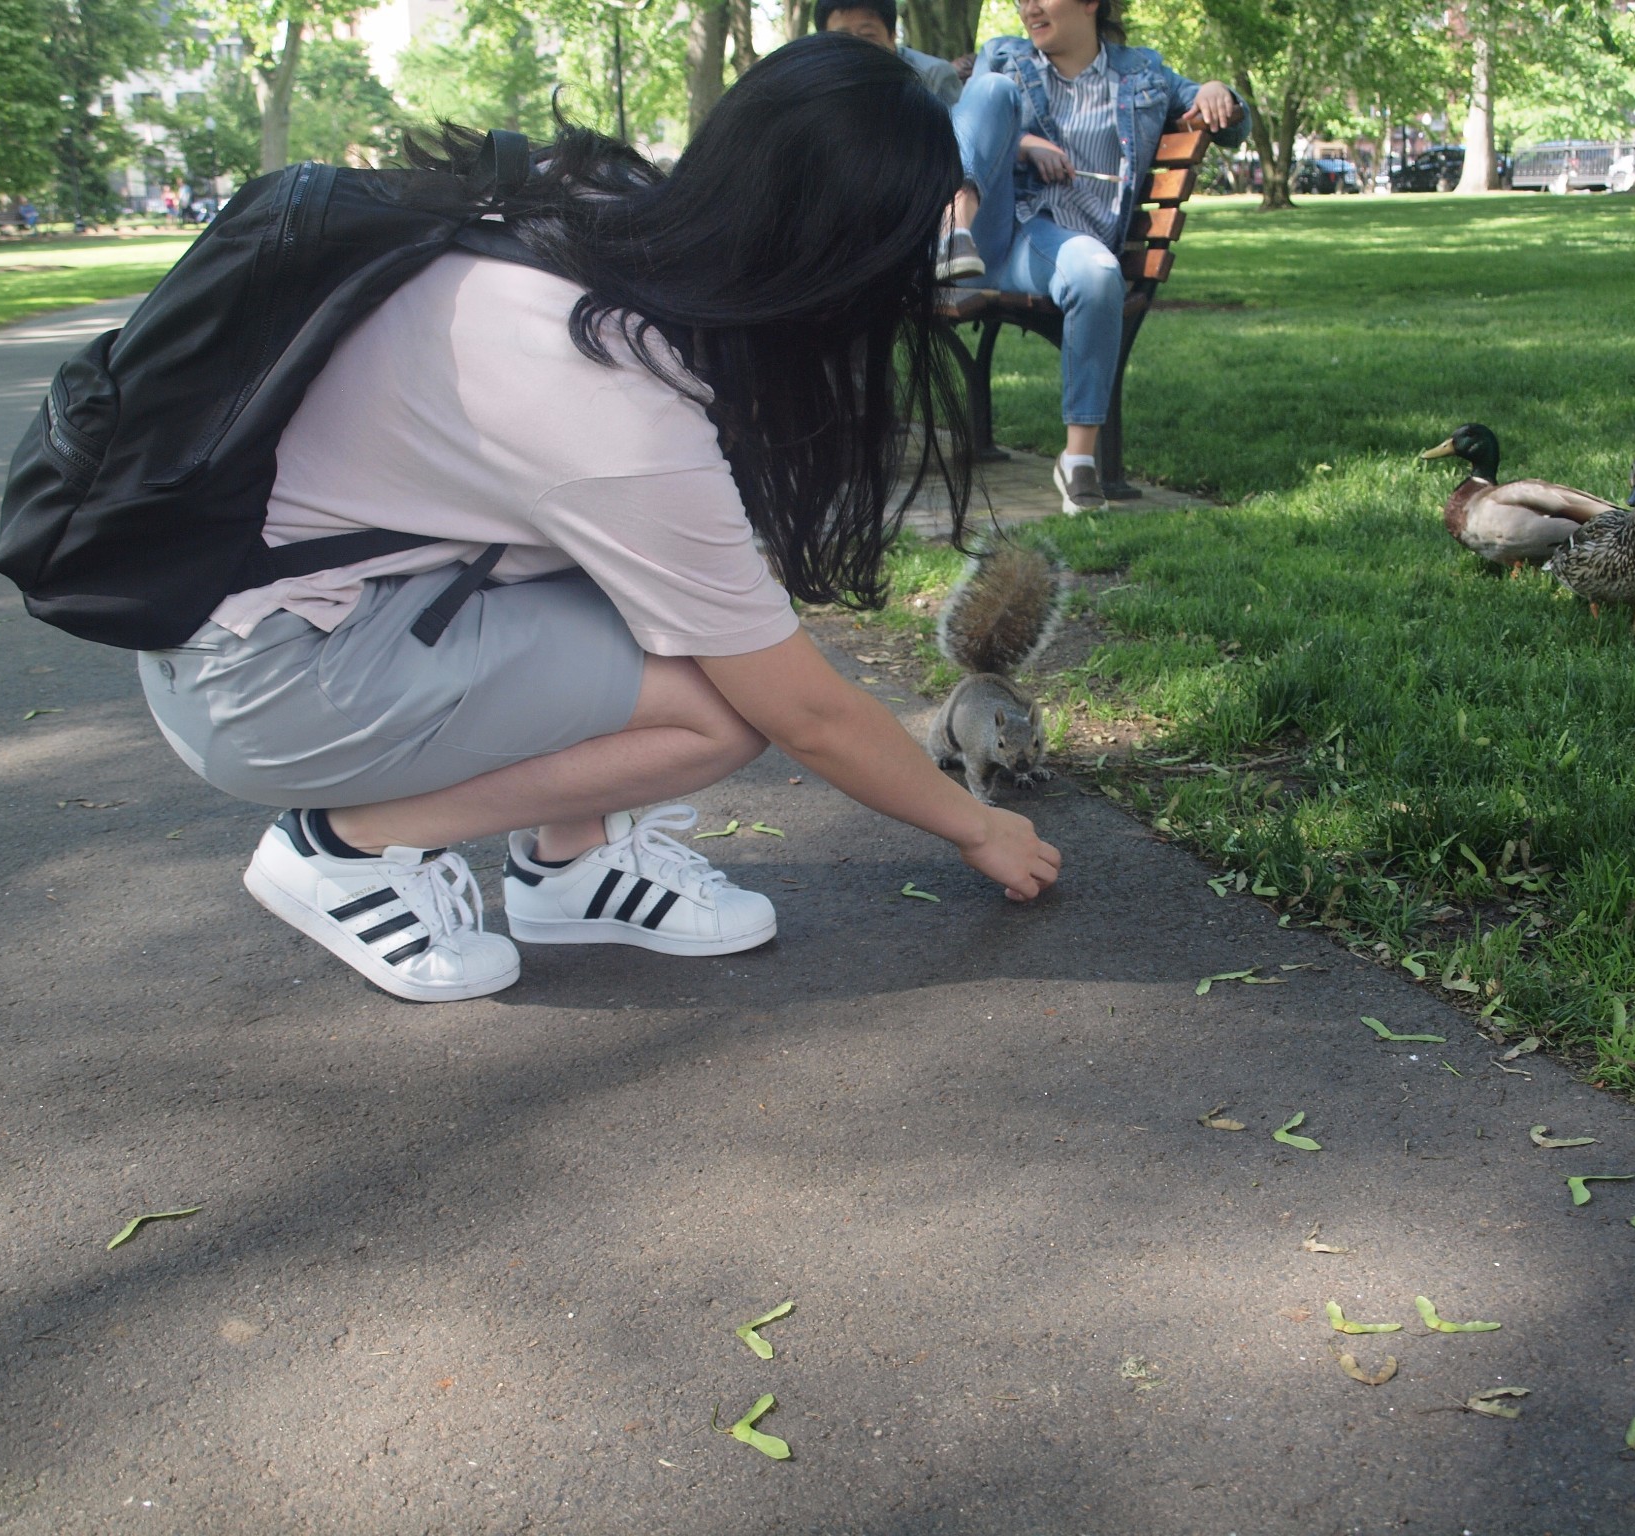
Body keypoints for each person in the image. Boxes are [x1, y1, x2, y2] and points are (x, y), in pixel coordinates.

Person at [134, 33, 1061, 1005]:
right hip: (267, 680)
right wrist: (976, 826)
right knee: (718, 707)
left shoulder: (601, 212)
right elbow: (806, 712)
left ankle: (572, 865)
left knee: (697, 652)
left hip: (261, 613)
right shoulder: (613, 392)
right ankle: (345, 846)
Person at [936, 0, 1245, 514]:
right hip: (995, 233)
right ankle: (954, 223)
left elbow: (1230, 122)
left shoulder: (1143, 74)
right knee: (991, 90)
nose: (1027, 7)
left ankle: (1078, 461)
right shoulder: (1005, 58)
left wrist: (1221, 93)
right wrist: (1023, 144)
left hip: (1064, 245)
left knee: (1099, 272)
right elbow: (959, 132)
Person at [815, 0, 967, 105]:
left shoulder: (932, 76)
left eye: (868, 35)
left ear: (892, 35)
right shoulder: (811, 83)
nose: (856, 47)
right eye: (842, 38)